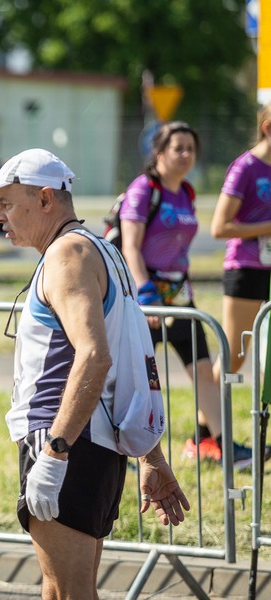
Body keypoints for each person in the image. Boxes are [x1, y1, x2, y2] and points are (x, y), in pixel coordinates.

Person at [0, 148, 189, 600]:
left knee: (70, 592)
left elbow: (95, 357)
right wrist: (151, 455)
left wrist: (54, 453)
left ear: (46, 199)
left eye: (7, 203)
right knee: (61, 588)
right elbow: (130, 358)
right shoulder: (98, 249)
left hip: (65, 439)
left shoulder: (67, 254)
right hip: (90, 442)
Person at [118, 121, 260, 469]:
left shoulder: (187, 193)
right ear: (160, 152)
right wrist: (145, 294)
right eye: (177, 148)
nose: (185, 155)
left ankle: (225, 447)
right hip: (144, 293)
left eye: (190, 149)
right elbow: (131, 247)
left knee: (202, 370)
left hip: (179, 293)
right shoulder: (144, 189)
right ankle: (120, 451)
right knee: (132, 377)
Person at [211, 104, 271, 381]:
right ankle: (208, 420)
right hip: (246, 267)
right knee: (235, 356)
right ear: (267, 128)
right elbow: (220, 226)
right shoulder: (245, 167)